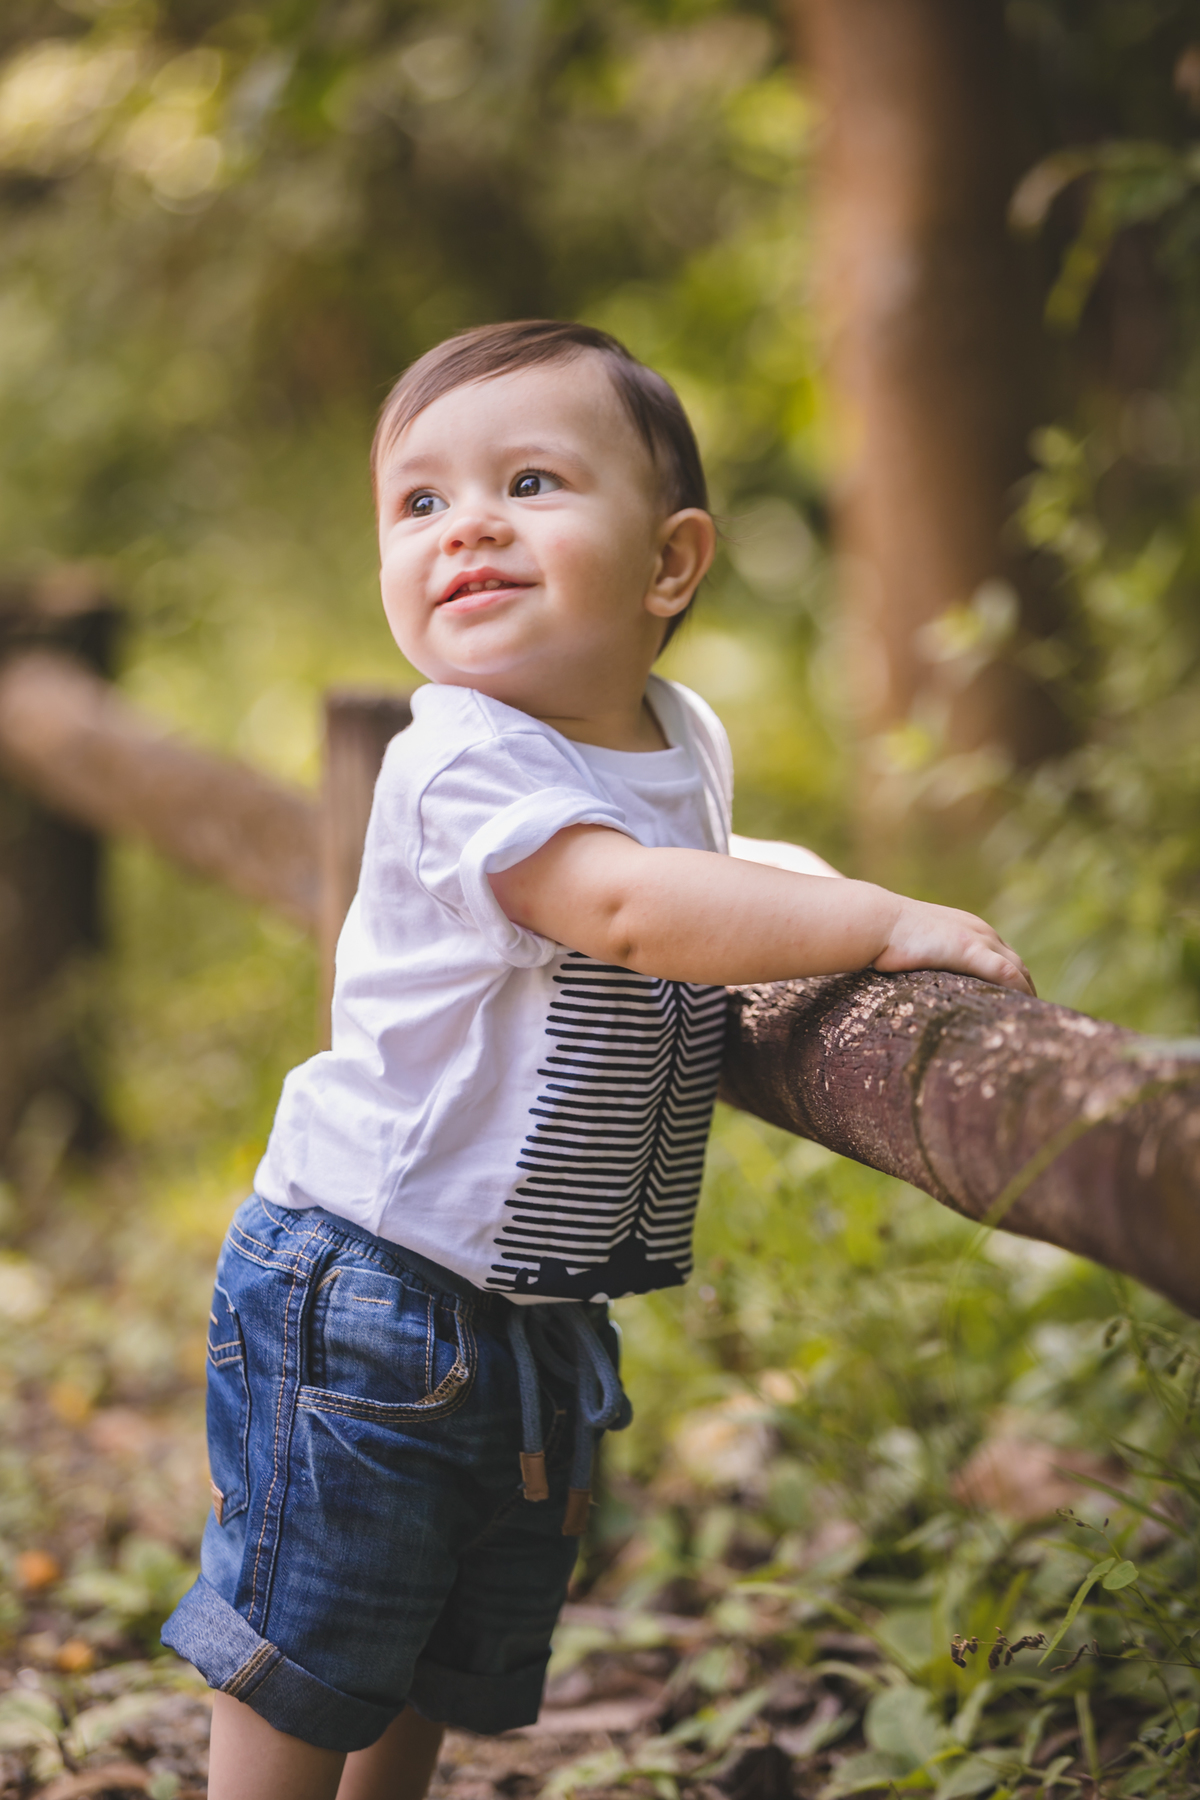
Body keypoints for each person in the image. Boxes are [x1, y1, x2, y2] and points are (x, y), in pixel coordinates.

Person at [162, 321, 1032, 1800]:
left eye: (530, 482)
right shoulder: (457, 758)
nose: (467, 525)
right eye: (420, 502)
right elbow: (624, 905)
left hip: (529, 1306)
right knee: (311, 1642)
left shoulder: (674, 735)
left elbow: (702, 864)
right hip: (369, 1285)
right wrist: (879, 921)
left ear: (670, 562)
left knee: (437, 1633)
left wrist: (810, 890)